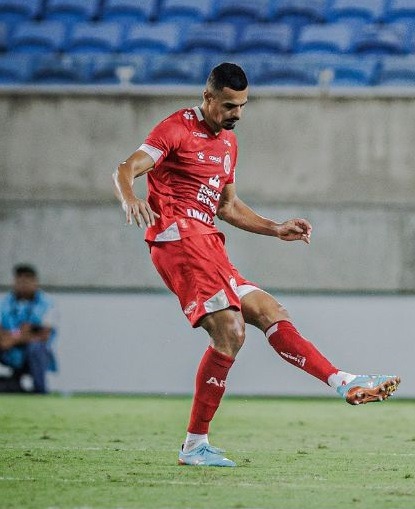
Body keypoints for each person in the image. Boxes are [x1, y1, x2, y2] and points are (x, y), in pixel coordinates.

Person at [112, 62, 400, 468]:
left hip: (209, 243)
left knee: (270, 311)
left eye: (243, 106)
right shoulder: (175, 128)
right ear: (208, 97)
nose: (237, 114)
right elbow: (126, 168)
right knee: (230, 332)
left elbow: (227, 206)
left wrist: (275, 227)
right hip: (178, 240)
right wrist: (130, 197)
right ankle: (195, 445)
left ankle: (343, 382)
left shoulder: (228, 144)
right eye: (230, 105)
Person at [0, 264, 58, 394]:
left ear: (35, 282)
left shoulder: (47, 304)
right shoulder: (4, 303)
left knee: (37, 347)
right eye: (19, 281)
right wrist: (23, 333)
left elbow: (44, 335)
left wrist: (14, 339)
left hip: (32, 352)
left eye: (27, 280)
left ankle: (40, 390)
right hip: (9, 351)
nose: (23, 284)